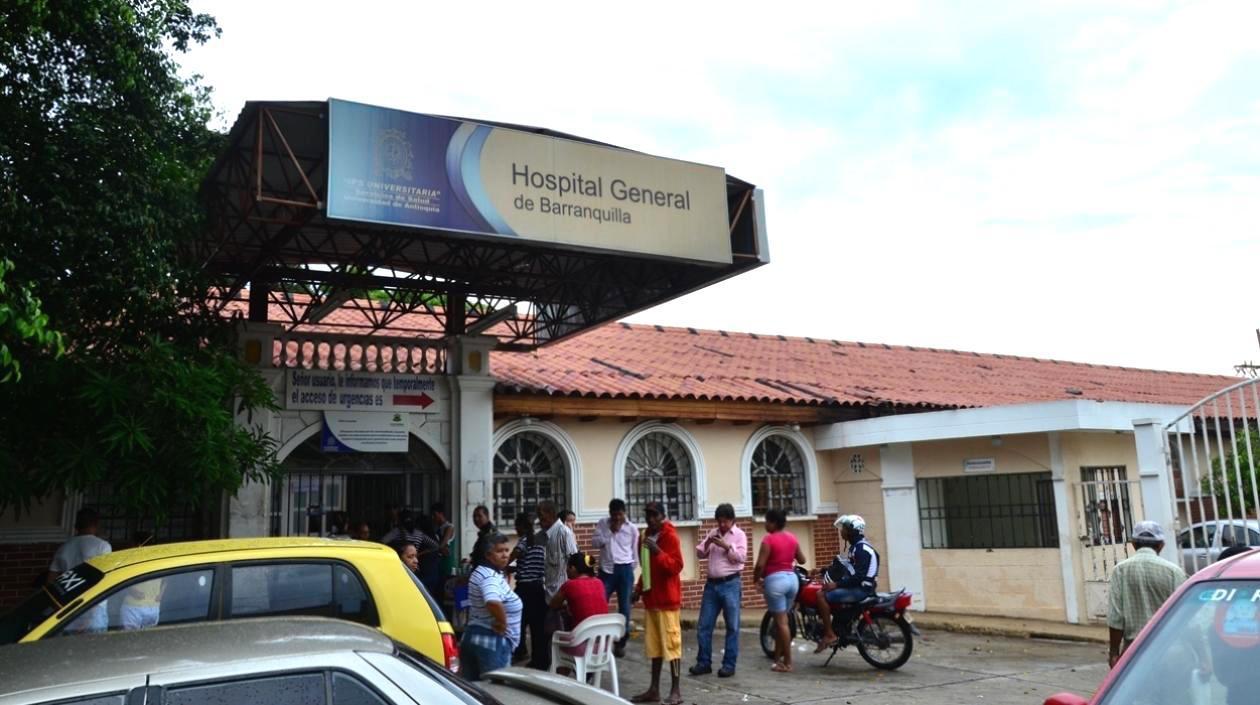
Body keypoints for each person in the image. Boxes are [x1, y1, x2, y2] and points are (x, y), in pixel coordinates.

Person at [1108, 520, 1186, 667]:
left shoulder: (1120, 570)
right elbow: (1185, 616)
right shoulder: (1174, 572)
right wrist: (1203, 657)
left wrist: (1114, 653)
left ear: (1133, 544)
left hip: (1134, 652)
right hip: (1169, 650)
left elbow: (1116, 617)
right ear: (1161, 545)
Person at [630, 501, 685, 705]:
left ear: (663, 517)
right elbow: (646, 568)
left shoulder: (670, 536)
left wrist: (658, 552)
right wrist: (638, 589)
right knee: (654, 647)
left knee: (672, 645)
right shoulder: (644, 536)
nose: (651, 519)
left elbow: (676, 566)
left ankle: (676, 690)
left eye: (655, 515)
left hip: (668, 601)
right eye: (648, 515)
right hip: (651, 600)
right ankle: (654, 689)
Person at [690, 503, 746, 678]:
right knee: (704, 626)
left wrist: (727, 547)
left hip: (730, 584)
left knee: (732, 626)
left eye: (725, 522)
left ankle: (729, 665)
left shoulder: (739, 535)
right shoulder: (713, 532)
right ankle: (703, 662)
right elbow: (700, 554)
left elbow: (741, 558)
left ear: (732, 520)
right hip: (711, 586)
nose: (722, 525)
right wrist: (708, 541)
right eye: (719, 521)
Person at [461, 533, 523, 681]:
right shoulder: (489, 577)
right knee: (495, 689)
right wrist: (502, 624)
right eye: (499, 551)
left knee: (473, 688)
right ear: (488, 555)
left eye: (507, 550)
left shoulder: (482, 571)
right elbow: (492, 601)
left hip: (475, 635)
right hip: (491, 640)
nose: (505, 555)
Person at [814, 514, 880, 652]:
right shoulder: (857, 546)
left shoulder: (861, 549)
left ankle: (830, 635)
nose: (841, 531)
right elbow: (847, 568)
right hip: (860, 587)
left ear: (852, 531)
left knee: (821, 594)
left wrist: (836, 584)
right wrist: (823, 570)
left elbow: (858, 577)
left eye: (844, 528)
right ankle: (838, 626)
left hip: (861, 590)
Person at [754, 508, 806, 673]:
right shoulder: (792, 538)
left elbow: (760, 565)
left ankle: (788, 662)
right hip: (792, 580)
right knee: (781, 622)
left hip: (775, 582)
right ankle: (777, 659)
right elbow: (802, 560)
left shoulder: (768, 540)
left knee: (782, 623)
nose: (765, 525)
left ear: (773, 523)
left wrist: (756, 579)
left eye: (767, 521)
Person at [592, 498, 638, 657]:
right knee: (599, 604)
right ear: (610, 514)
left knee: (624, 608)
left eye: (620, 514)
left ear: (624, 513)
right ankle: (599, 640)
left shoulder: (632, 528)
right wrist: (610, 532)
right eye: (614, 515)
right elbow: (594, 543)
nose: (617, 518)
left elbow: (634, 552)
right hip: (606, 570)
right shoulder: (603, 524)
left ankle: (620, 643)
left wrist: (630, 569)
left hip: (625, 569)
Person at [537, 499, 578, 669]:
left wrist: (570, 594)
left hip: (561, 596)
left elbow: (574, 562)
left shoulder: (563, 533)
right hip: (548, 593)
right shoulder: (544, 535)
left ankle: (563, 667)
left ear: (551, 514)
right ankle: (551, 665)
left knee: (561, 636)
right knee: (549, 634)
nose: (540, 520)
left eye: (542, 516)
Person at [549, 552, 611, 660]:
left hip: (581, 645)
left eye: (567, 567)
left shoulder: (569, 585)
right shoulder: (599, 583)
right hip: (604, 645)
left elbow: (553, 604)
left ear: (573, 568)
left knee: (552, 618)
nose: (566, 571)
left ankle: (559, 667)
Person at [510, 512, 548, 667]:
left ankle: (520, 650)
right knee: (537, 626)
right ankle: (540, 659)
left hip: (524, 589)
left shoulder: (524, 541)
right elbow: (532, 563)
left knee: (517, 620)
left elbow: (514, 555)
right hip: (538, 587)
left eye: (517, 527)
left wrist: (504, 565)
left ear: (522, 527)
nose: (516, 530)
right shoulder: (540, 541)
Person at [48, 507, 112, 585]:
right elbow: (106, 575)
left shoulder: (63, 548)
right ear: (96, 524)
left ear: (76, 526)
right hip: (93, 590)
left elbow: (51, 577)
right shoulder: (103, 546)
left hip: (68, 590)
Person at [120, 530, 160, 631]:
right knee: (149, 638)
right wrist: (161, 594)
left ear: (137, 544)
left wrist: (130, 590)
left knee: (128, 638)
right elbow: (166, 579)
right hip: (153, 607)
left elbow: (120, 580)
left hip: (133, 607)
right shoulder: (159, 560)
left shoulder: (130, 559)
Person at [432, 502, 456, 578]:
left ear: (441, 514)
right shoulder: (437, 528)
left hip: (447, 563)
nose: (433, 518)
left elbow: (441, 546)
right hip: (439, 563)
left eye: (435, 515)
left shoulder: (449, 527)